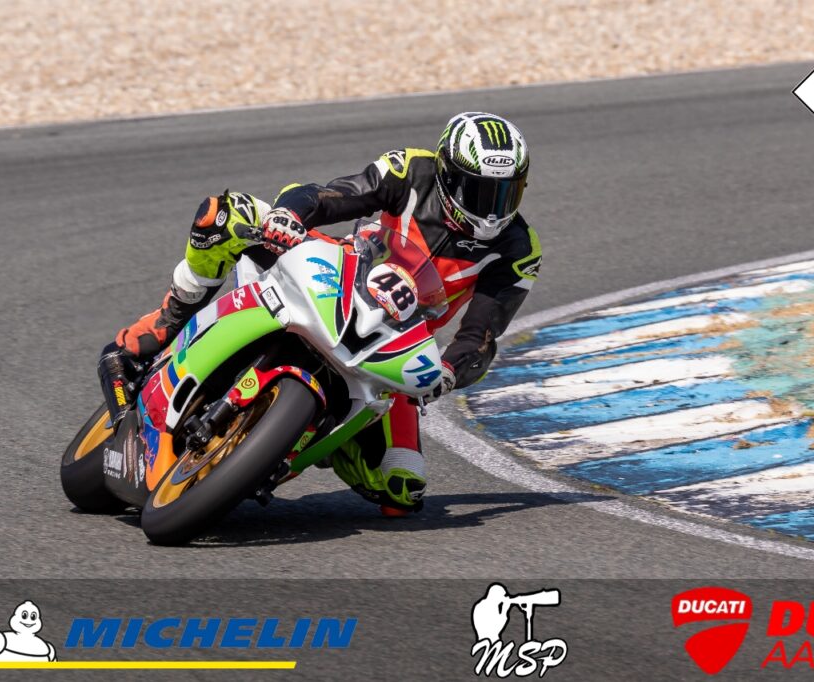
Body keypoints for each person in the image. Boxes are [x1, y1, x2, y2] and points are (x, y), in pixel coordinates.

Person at [101, 112, 541, 515]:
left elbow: (480, 337)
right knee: (224, 216)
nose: (492, 209)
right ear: (447, 174)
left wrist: (448, 373)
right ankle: (163, 327)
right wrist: (289, 215)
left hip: (394, 346)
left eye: (507, 193)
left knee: (402, 490)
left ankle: (308, 444)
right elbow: (332, 195)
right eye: (480, 191)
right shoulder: (411, 171)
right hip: (339, 278)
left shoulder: (519, 250)